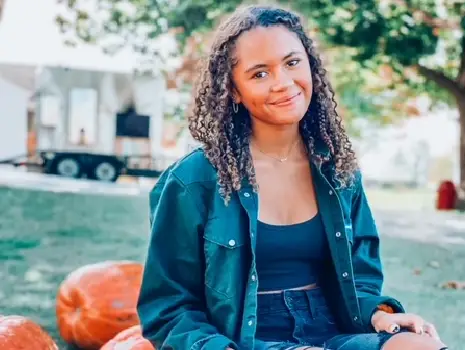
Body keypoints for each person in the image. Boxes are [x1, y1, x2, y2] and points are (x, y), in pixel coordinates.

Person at [137, 5, 448, 350]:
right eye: (259, 74)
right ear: (234, 91)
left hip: (333, 330)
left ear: (310, 66)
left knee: (420, 346)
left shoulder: (338, 171)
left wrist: (380, 315)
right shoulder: (193, 181)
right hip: (245, 339)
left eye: (292, 63)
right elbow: (168, 308)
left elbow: (359, 279)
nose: (283, 83)